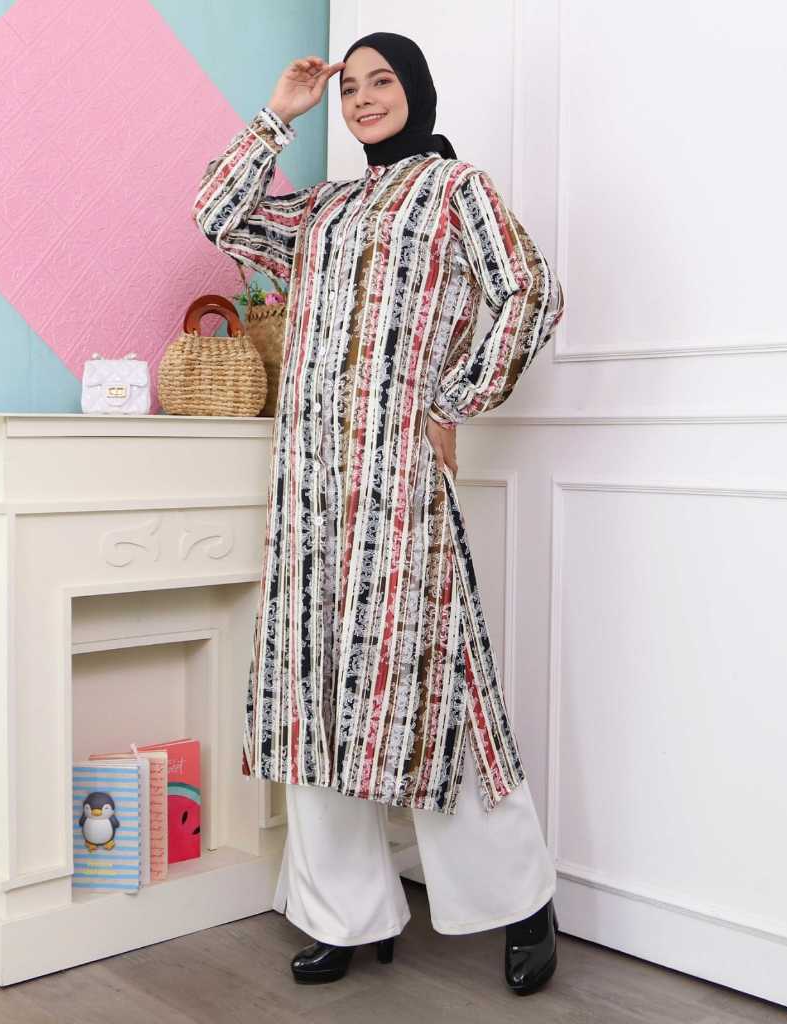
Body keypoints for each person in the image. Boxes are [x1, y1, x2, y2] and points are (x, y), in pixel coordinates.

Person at [192, 31, 564, 996]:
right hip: (309, 487)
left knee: (434, 688)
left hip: (398, 477)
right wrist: (281, 112)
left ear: (416, 89)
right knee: (316, 690)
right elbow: (217, 212)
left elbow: (531, 293)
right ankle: (343, 914)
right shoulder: (321, 208)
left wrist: (453, 400)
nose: (361, 98)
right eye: (349, 85)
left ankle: (521, 898)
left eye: (380, 81)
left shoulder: (456, 191)